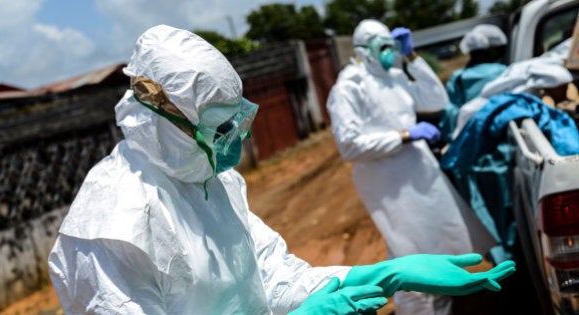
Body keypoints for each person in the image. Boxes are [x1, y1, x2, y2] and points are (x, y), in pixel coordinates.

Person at [48, 24, 515, 314]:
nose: (239, 137)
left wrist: (380, 275)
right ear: (161, 118)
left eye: (238, 119)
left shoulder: (213, 182)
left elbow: (271, 274)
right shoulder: (112, 225)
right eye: (221, 125)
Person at [326, 19, 498, 315]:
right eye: (383, 48)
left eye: (391, 47)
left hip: (420, 176)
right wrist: (405, 135)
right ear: (363, 50)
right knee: (412, 259)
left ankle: (439, 307)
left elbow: (436, 99)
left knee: (437, 250)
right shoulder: (349, 86)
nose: (389, 53)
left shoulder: (393, 77)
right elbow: (349, 146)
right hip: (390, 186)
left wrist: (412, 58)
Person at [439, 24, 508, 142]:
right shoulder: (504, 71)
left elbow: (450, 114)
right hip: (503, 133)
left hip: (471, 139)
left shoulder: (458, 78)